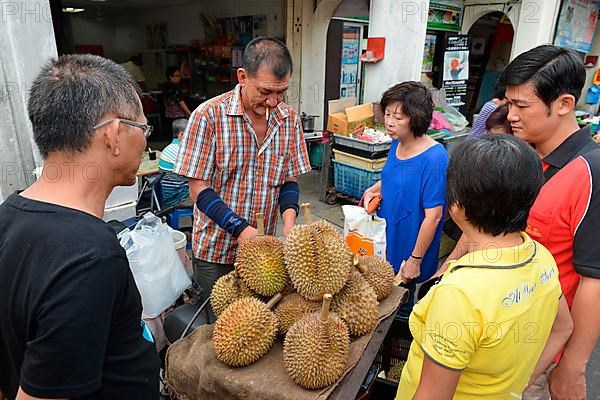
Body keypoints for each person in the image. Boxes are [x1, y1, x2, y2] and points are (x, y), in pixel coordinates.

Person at [440, 45, 600, 400]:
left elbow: (594, 278)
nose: (510, 115)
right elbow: (488, 222)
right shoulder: (523, 156)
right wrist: (449, 266)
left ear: (563, 104)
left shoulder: (590, 172)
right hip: (483, 336)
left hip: (535, 353)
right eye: (508, 104)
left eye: (521, 106)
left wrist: (572, 367)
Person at [0, 55, 160, 399]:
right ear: (114, 134)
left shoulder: (7, 218)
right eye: (143, 128)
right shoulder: (91, 257)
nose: (146, 141)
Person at [397, 134, 572, 400]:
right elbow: (563, 328)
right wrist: (519, 384)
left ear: (456, 206)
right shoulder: (542, 258)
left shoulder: (459, 295)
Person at [173, 37, 311, 321]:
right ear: (242, 77)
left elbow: (289, 180)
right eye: (265, 91)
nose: (273, 102)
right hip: (216, 251)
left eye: (281, 92)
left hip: (266, 254)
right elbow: (198, 188)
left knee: (257, 325)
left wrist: (289, 224)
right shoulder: (208, 116)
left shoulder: (289, 119)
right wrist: (241, 229)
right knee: (218, 330)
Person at [362, 81, 448, 317]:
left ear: (416, 118)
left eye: (398, 117)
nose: (390, 122)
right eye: (388, 114)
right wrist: (375, 188)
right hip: (388, 235)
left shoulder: (435, 158)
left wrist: (415, 259)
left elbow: (435, 216)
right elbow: (395, 176)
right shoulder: (396, 143)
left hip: (411, 245)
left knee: (400, 311)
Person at [158, 118, 191, 207]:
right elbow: (196, 174)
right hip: (177, 198)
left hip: (169, 195)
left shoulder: (169, 148)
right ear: (182, 134)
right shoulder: (181, 151)